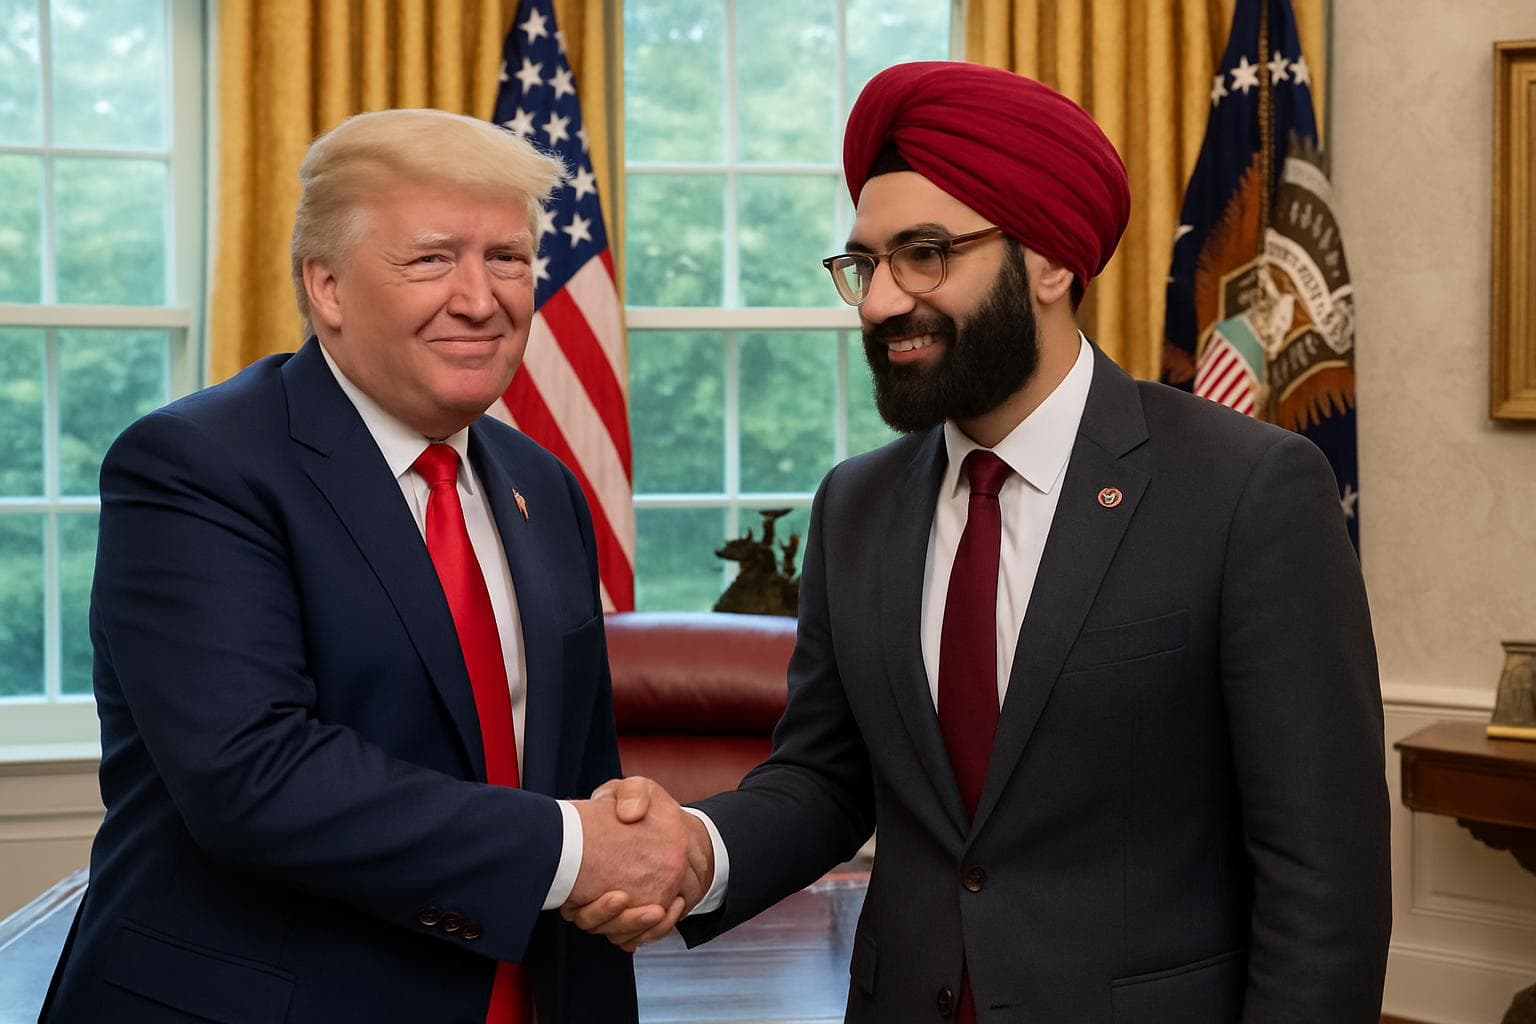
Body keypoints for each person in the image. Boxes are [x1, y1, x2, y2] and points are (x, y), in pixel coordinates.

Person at [569, 61, 1392, 1022]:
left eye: (924, 254)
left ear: (1050, 262)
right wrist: (697, 852)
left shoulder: (1246, 490)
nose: (879, 302)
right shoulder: (857, 505)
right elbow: (826, 779)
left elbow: (1323, 874)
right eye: (866, 265)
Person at [41, 108, 702, 1024]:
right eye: (432, 259)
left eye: (507, 258)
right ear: (329, 288)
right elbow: (254, 776)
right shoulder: (197, 466)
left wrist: (628, 860)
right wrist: (574, 849)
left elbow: (577, 772)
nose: (481, 298)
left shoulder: (541, 488)